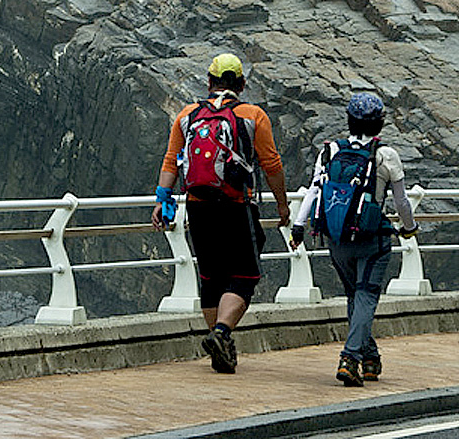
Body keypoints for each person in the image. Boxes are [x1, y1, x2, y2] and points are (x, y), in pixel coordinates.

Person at [152, 52, 290, 374]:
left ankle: (220, 348)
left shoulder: (187, 115)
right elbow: (272, 165)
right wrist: (282, 204)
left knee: (211, 277)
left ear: (209, 81)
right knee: (244, 275)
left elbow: (171, 161)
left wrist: (162, 200)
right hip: (236, 205)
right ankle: (222, 332)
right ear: (241, 84)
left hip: (198, 207)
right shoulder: (252, 115)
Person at [290, 91, 418, 387]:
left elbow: (314, 190)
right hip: (372, 239)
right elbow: (401, 202)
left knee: (355, 296)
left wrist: (299, 227)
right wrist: (409, 228)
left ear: (349, 120)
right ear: (380, 123)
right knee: (366, 295)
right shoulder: (386, 155)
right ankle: (350, 358)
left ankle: (370, 358)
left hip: (336, 238)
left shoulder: (331, 150)